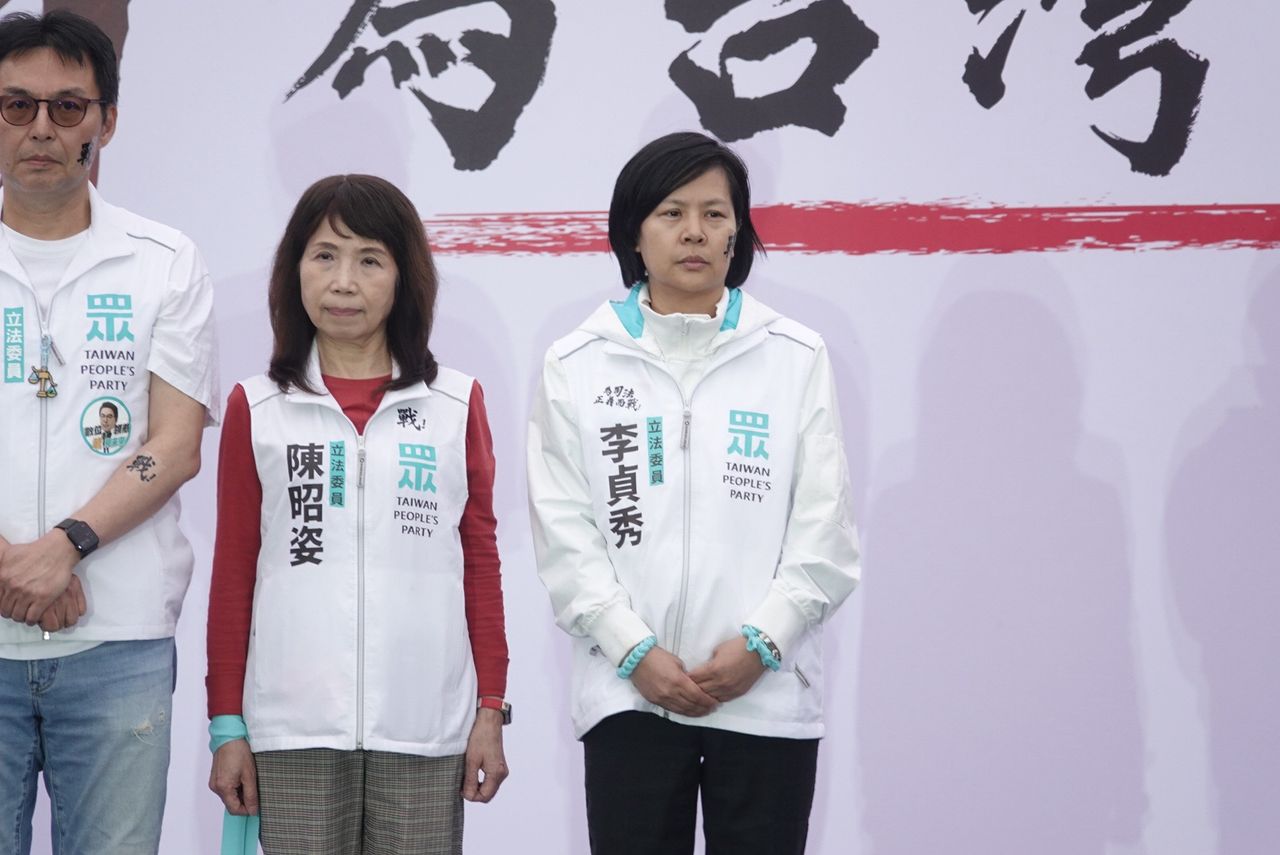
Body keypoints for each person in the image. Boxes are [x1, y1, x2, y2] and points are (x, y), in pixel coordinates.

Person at [527, 131, 860, 855]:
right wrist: (632, 651)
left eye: (715, 214)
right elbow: (564, 534)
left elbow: (825, 528)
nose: (695, 232)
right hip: (628, 698)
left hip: (767, 695)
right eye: (672, 213)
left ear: (738, 232)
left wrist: (763, 643)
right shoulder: (577, 362)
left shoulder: (794, 356)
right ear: (633, 232)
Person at [206, 174, 510, 855]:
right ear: (295, 270)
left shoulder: (455, 404)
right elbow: (234, 575)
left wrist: (490, 708)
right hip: (293, 731)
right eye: (324, 255)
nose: (344, 282)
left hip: (425, 730)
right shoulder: (258, 408)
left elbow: (480, 565)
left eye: (370, 259)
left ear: (404, 278)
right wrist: (227, 725)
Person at [0, 10, 219, 855]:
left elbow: (176, 441)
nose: (41, 129)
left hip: (117, 639)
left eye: (67, 107)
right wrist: (12, 567)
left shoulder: (163, 260)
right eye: (16, 106)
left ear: (107, 121)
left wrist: (66, 546)